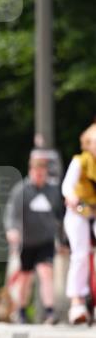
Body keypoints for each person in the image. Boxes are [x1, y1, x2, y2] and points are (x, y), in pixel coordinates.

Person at [4, 151, 64, 324]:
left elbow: (59, 215)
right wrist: (12, 230)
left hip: (46, 239)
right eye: (37, 173)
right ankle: (21, 310)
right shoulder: (21, 190)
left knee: (46, 272)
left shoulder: (52, 191)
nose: (40, 176)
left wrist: (61, 239)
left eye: (42, 173)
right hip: (27, 241)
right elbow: (12, 214)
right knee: (25, 277)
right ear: (31, 171)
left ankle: (50, 311)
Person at [61, 120, 96, 324]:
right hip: (78, 211)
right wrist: (72, 198)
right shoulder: (80, 162)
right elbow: (67, 187)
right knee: (80, 254)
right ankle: (77, 302)